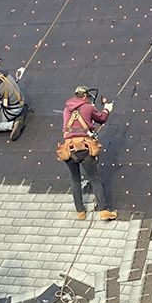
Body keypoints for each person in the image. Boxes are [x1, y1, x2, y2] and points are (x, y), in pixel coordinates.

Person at [59, 85, 116, 221]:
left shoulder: (66, 110)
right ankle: (103, 211)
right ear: (84, 96)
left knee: (75, 180)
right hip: (84, 147)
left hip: (69, 149)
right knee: (95, 179)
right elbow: (101, 119)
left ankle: (80, 212)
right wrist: (107, 110)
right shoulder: (88, 107)